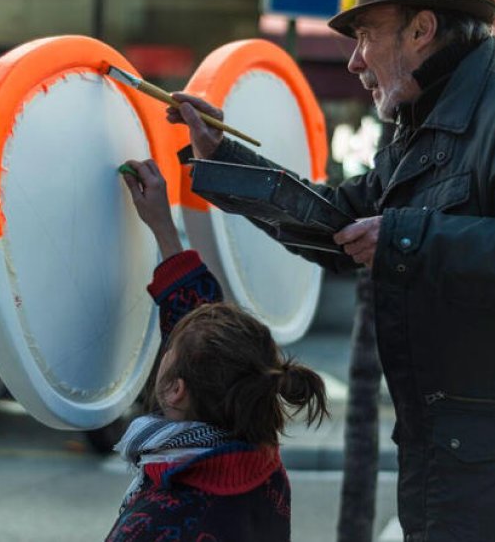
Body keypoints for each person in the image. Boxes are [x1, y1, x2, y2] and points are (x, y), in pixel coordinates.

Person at [166, 0, 495, 542]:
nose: (354, 63)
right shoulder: (421, 120)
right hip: (462, 460)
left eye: (367, 37)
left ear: (422, 30)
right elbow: (338, 222)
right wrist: (221, 157)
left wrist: (411, 238)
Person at [105, 158, 329, 542]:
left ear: (176, 389)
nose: (170, 336)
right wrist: (163, 227)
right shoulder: (259, 460)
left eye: (170, 346)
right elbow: (204, 337)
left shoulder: (160, 520)